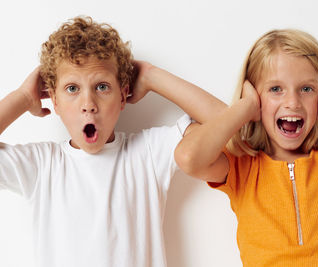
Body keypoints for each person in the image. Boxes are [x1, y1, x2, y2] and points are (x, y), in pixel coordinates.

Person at [0, 16, 226, 267]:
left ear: (122, 97)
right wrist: (21, 97)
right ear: (55, 101)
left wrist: (151, 76)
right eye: (72, 89)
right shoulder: (42, 166)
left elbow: (228, 124)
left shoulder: (149, 152)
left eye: (102, 87)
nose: (88, 105)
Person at [175, 29, 318, 266]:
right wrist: (245, 107)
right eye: (275, 89)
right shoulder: (240, 166)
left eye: (306, 89)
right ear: (254, 96)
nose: (292, 102)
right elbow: (189, 158)